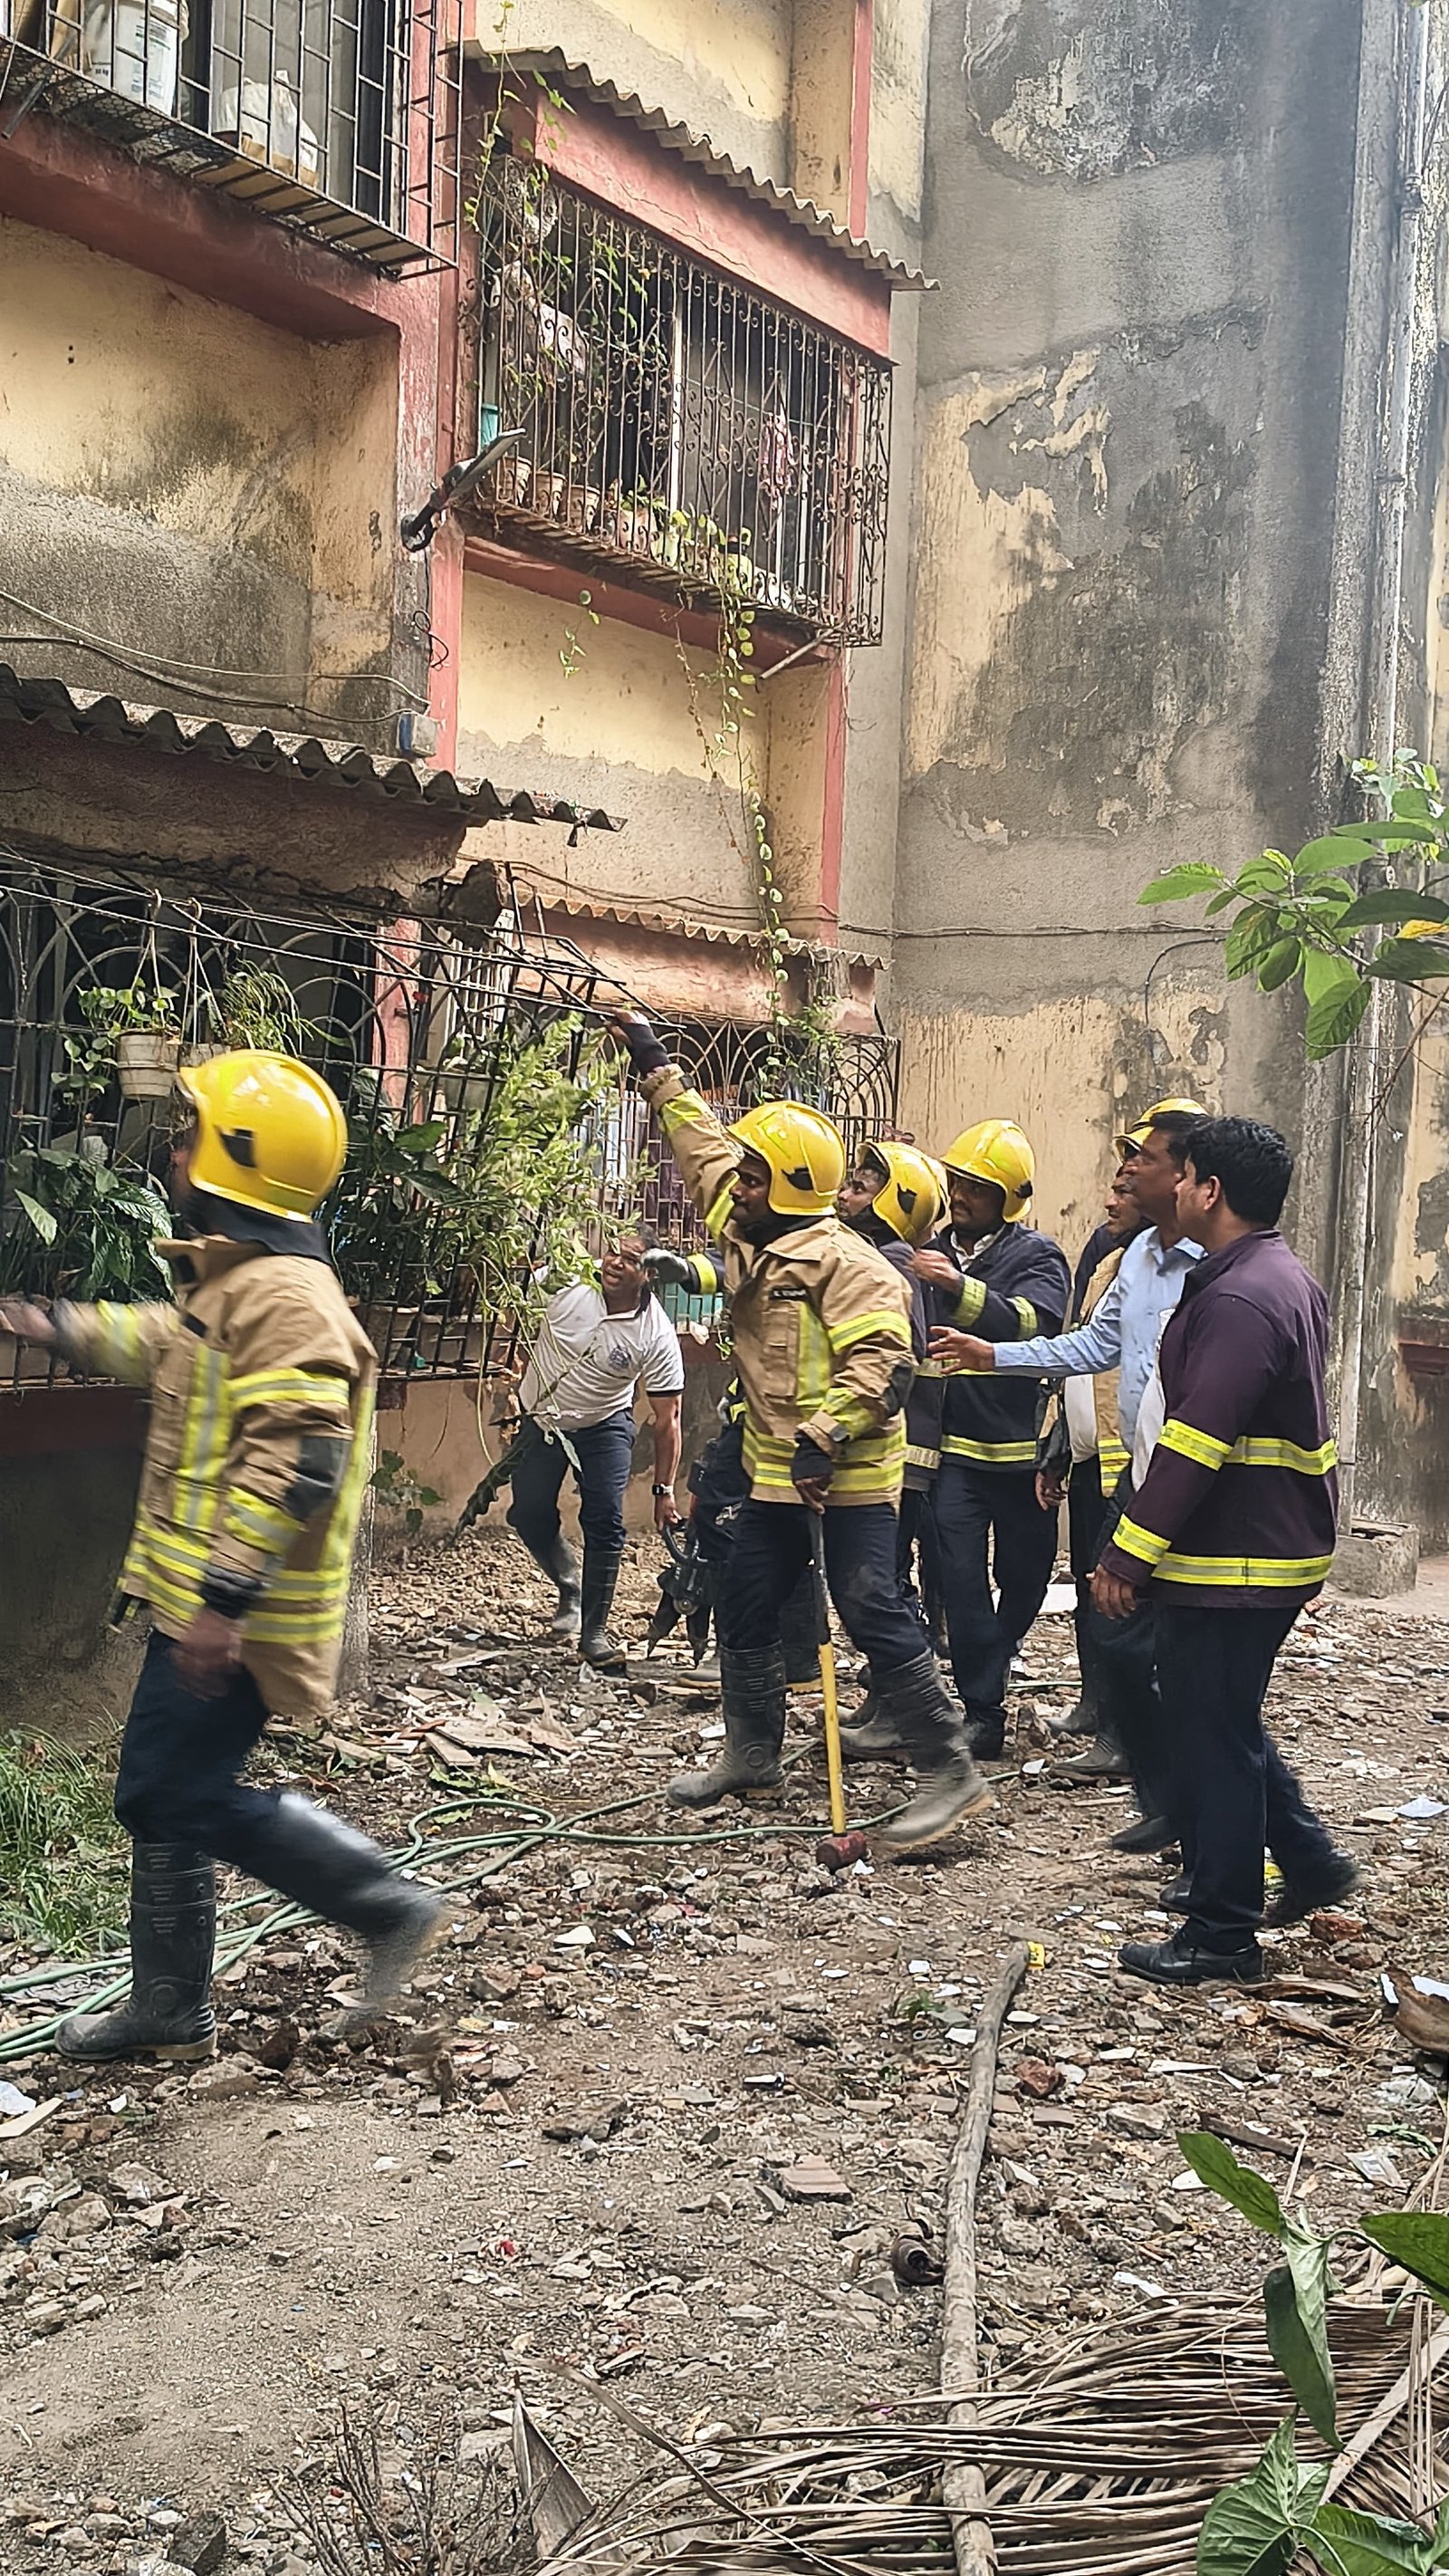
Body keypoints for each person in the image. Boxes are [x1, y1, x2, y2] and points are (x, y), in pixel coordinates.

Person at [0, 1052, 440, 2063]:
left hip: (239, 1613)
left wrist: (223, 1603)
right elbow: (167, 1339)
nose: (174, 1151)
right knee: (168, 1795)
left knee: (164, 1793)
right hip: (203, 1602)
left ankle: (381, 1903)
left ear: (237, 1160)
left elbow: (304, 1463)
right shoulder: (242, 1282)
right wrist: (54, 1325)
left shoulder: (288, 1297)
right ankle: (170, 2009)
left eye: (191, 1133)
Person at [609, 1014, 992, 1848]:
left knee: (869, 1604)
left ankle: (949, 1768)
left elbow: (885, 1367)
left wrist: (824, 1437)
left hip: (848, 1469)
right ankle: (752, 1753)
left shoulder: (850, 1266)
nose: (737, 1186)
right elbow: (701, 1148)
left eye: (753, 1177)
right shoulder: (754, 1226)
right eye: (743, 1174)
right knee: (746, 1598)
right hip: (775, 1467)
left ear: (785, 1186)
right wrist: (654, 1063)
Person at [1093, 1116, 1358, 1986]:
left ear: (1209, 1191)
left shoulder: (1242, 1298)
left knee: (1211, 1735)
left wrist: (1127, 1557)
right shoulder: (1272, 1276)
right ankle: (1308, 1863)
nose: (1167, 1184)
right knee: (1224, 1721)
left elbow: (1196, 1443)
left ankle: (1222, 1934)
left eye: (1183, 1174)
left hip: (1234, 1558)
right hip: (1255, 1548)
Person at [934, 1102, 1205, 1834]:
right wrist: (992, 1356)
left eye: (1142, 1160)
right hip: (1134, 1473)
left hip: (1195, 1478)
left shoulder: (1219, 1265)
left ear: (1189, 1177)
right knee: (1117, 1626)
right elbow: (1088, 1347)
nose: (1126, 1172)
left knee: (1184, 1646)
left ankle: (1221, 1820)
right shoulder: (1135, 1260)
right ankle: (1162, 1789)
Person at [912, 1122, 1071, 1758]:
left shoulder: (1038, 1257)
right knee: (959, 1580)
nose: (960, 1196)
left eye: (977, 1188)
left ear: (1009, 1199)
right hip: (953, 1455)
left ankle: (998, 1653)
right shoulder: (929, 1251)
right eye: (956, 1183)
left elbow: (1038, 1325)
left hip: (1020, 1457)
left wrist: (960, 1288)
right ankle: (982, 1709)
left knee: (1025, 1576)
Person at [507, 1230, 684, 1672]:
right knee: (528, 1513)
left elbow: (668, 1419)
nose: (615, 1263)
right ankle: (569, 1583)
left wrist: (663, 1490)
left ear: (650, 1275)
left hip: (603, 1425)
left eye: (630, 1259)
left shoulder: (655, 1333)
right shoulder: (566, 1282)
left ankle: (594, 1633)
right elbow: (510, 1296)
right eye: (612, 1252)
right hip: (540, 1420)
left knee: (605, 1518)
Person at [832, 1141, 948, 1757]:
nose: (843, 1195)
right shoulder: (882, 1257)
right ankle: (886, 1703)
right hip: (894, 1453)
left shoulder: (892, 1263)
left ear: (893, 1205)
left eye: (859, 1188)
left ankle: (906, 1715)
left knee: (885, 1586)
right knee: (882, 1583)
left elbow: (896, 1357)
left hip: (897, 1456)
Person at [1034, 1160, 1142, 1741]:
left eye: (1126, 1189)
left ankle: (1123, 1730)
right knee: (1086, 1584)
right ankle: (1094, 1704)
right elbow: (1076, 1349)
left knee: (1119, 1598)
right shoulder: (1106, 1260)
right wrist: (1056, 1444)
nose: (1109, 1201)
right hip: (1087, 1458)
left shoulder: (1173, 1270)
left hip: (1130, 1466)